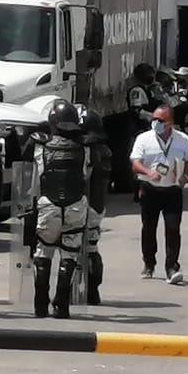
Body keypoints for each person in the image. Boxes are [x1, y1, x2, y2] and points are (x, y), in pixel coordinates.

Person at [30, 100, 88, 319]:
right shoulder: (85, 147)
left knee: (43, 253)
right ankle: (61, 306)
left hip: (48, 204)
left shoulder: (40, 146)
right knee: (69, 256)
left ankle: (39, 306)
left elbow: (25, 157)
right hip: (75, 205)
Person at [130, 105, 188, 284]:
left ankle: (172, 267)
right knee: (148, 227)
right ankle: (149, 263)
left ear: (170, 123)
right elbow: (135, 163)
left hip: (173, 190)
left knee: (173, 228)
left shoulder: (182, 139)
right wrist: (148, 173)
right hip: (150, 188)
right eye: (154, 119)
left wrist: (186, 176)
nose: (156, 123)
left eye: (161, 120)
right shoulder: (143, 139)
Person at [81, 107, 111, 306]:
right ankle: (93, 291)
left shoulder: (87, 150)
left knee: (72, 249)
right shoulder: (105, 150)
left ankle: (86, 290)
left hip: (83, 204)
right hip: (97, 206)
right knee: (92, 248)